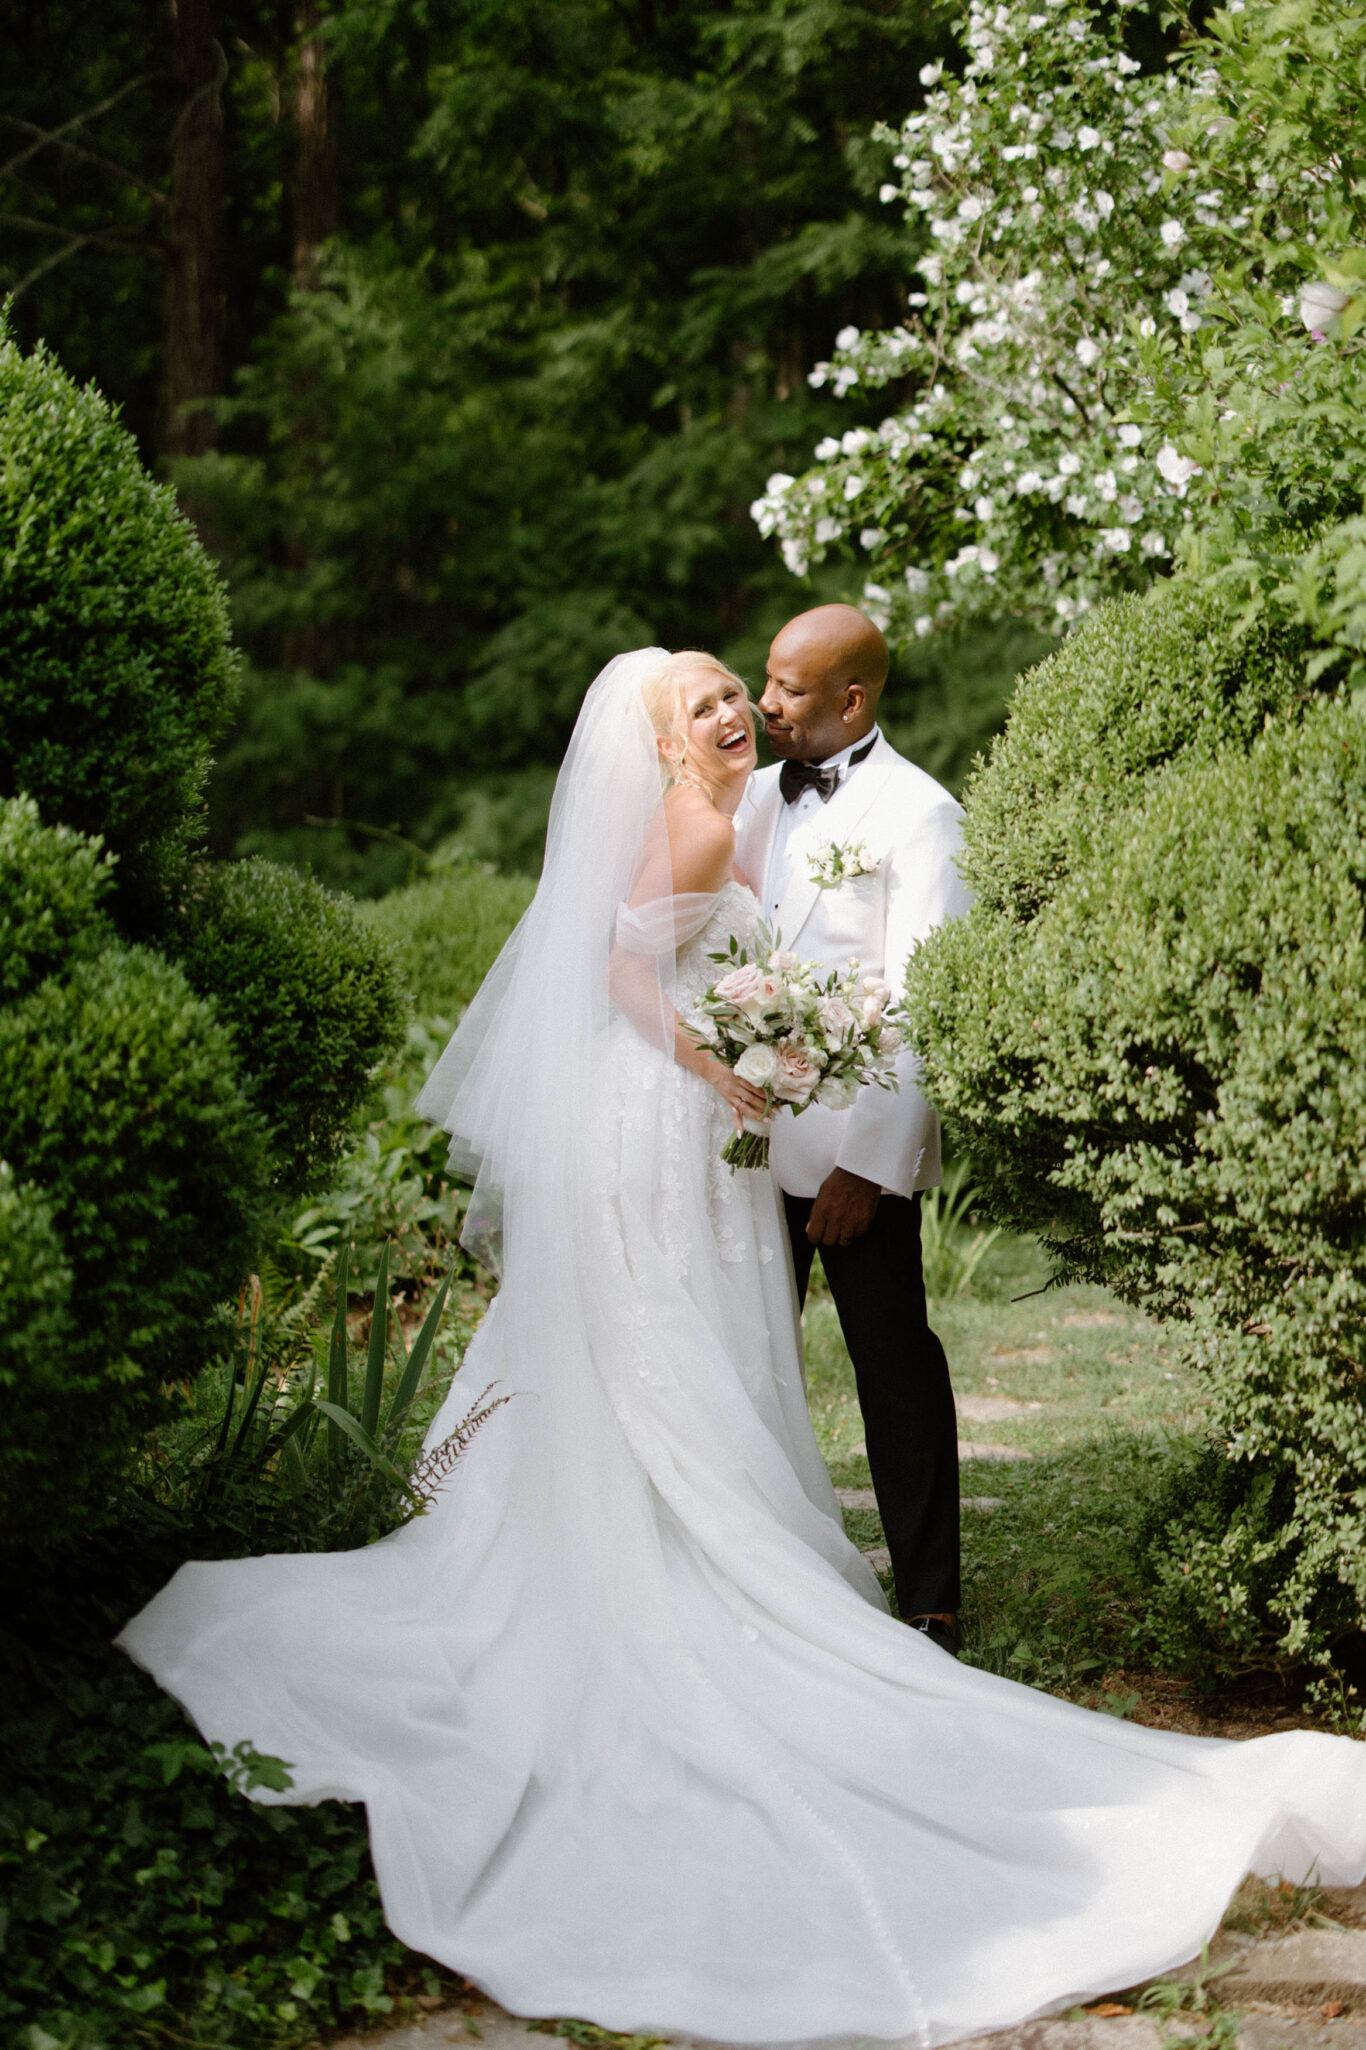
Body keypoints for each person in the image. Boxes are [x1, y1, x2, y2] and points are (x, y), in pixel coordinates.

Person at [119, 647, 1366, 2050]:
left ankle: (904, 1581)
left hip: (742, 1131)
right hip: (678, 1120)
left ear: (839, 697)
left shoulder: (870, 810)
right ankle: (700, 1542)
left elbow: (880, 981)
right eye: (711, 697)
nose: (737, 710)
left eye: (746, 691)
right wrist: (725, 1064)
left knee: (766, 1350)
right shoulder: (722, 811)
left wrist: (819, 1107)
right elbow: (624, 964)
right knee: (686, 1340)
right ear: (662, 737)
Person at [737, 603, 967, 1653]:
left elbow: (924, 999)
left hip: (846, 1155)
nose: (763, 701)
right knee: (741, 1360)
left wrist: (866, 1165)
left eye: (786, 687)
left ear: (852, 700)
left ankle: (929, 1593)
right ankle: (750, 1572)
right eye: (765, 680)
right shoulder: (744, 803)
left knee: (891, 1363)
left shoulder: (921, 813)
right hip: (742, 1146)